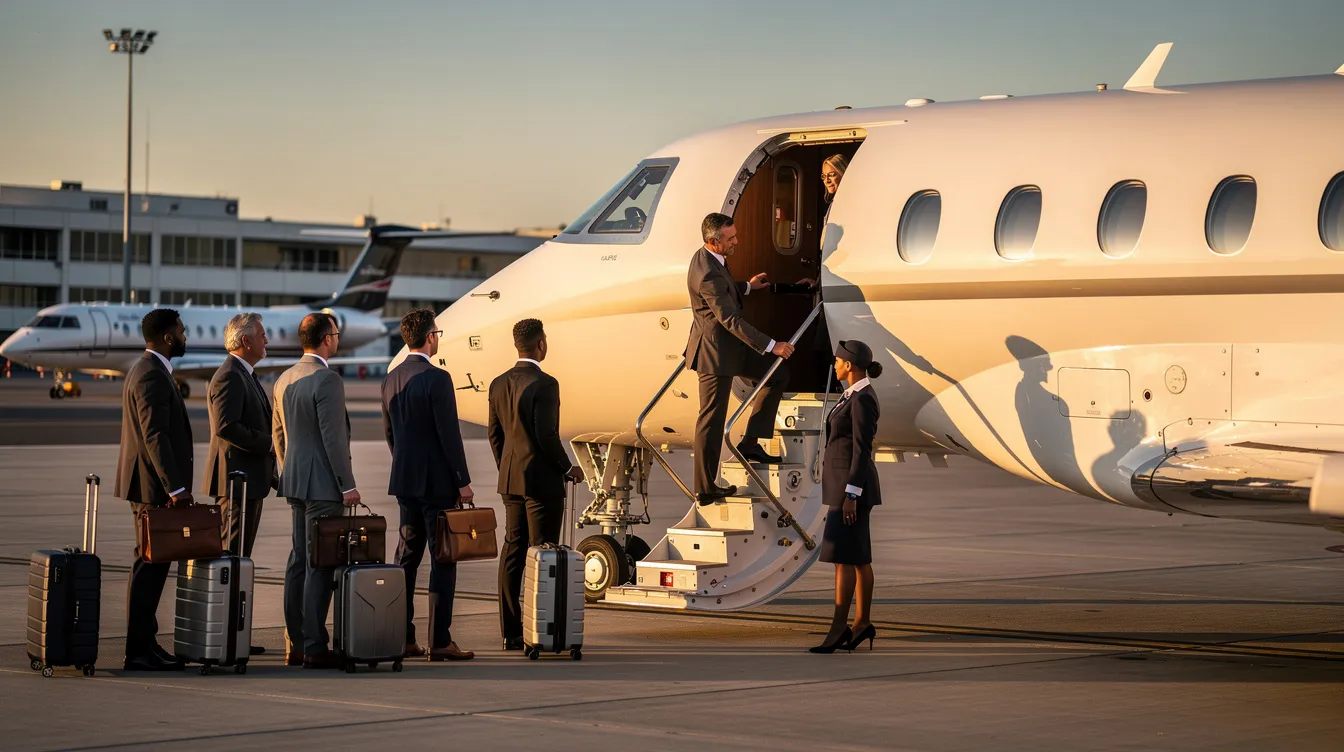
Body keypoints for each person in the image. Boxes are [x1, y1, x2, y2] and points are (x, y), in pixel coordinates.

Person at [381, 308, 476, 662]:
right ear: (430, 337)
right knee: (443, 560)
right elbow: (449, 435)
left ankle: (403, 637)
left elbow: (390, 433)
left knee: (405, 558)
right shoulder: (438, 378)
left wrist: (405, 464)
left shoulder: (391, 378)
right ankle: (439, 640)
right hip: (436, 483)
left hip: (405, 481)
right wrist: (462, 481)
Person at [686, 212, 796, 505]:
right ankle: (706, 487)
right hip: (715, 354)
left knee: (777, 375)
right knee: (711, 419)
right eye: (730, 238)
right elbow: (729, 319)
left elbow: (722, 291)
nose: (737, 241)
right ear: (713, 241)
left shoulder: (709, 260)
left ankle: (749, 443)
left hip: (730, 349)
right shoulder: (707, 271)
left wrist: (747, 286)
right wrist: (772, 345)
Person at [488, 318, 584, 651]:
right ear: (541, 344)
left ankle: (510, 632)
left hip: (511, 480)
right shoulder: (546, 384)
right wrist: (568, 467)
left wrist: (507, 468)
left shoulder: (498, 383)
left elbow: (495, 435)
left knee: (513, 551)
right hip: (542, 482)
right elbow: (546, 435)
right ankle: (539, 630)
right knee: (543, 553)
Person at [272, 312, 360, 669]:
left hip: (294, 481)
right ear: (327, 338)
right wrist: (348, 484)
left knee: (298, 561)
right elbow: (334, 439)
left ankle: (294, 642)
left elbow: (278, 434)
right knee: (319, 564)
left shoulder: (284, 379)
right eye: (336, 334)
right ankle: (314, 645)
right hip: (323, 486)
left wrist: (288, 472)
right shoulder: (327, 379)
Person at [115, 308, 192, 671]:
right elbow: (154, 435)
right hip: (153, 490)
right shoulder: (151, 375)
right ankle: (138, 651)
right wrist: (175, 488)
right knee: (149, 567)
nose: (185, 335)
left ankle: (147, 642)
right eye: (180, 330)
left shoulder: (149, 370)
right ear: (167, 337)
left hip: (149, 487)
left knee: (153, 566)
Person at [202, 312, 274, 658]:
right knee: (232, 559)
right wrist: (269, 444)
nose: (266, 340)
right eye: (262, 335)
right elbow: (226, 427)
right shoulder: (229, 377)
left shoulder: (245, 374)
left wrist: (274, 474)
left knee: (239, 559)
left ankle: (235, 634)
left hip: (250, 482)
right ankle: (227, 638)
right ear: (245, 341)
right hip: (236, 485)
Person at [811, 339, 883, 654]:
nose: (835, 364)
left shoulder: (862, 399)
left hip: (851, 490)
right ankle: (861, 623)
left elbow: (861, 449)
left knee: (845, 559)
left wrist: (852, 493)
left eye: (838, 361)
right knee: (854, 557)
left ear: (849, 366)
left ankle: (841, 628)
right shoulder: (852, 395)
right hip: (845, 488)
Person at [820, 153, 849, 227]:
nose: (826, 181)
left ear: (843, 173)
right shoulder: (835, 203)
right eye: (824, 176)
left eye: (832, 175)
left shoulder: (849, 202)